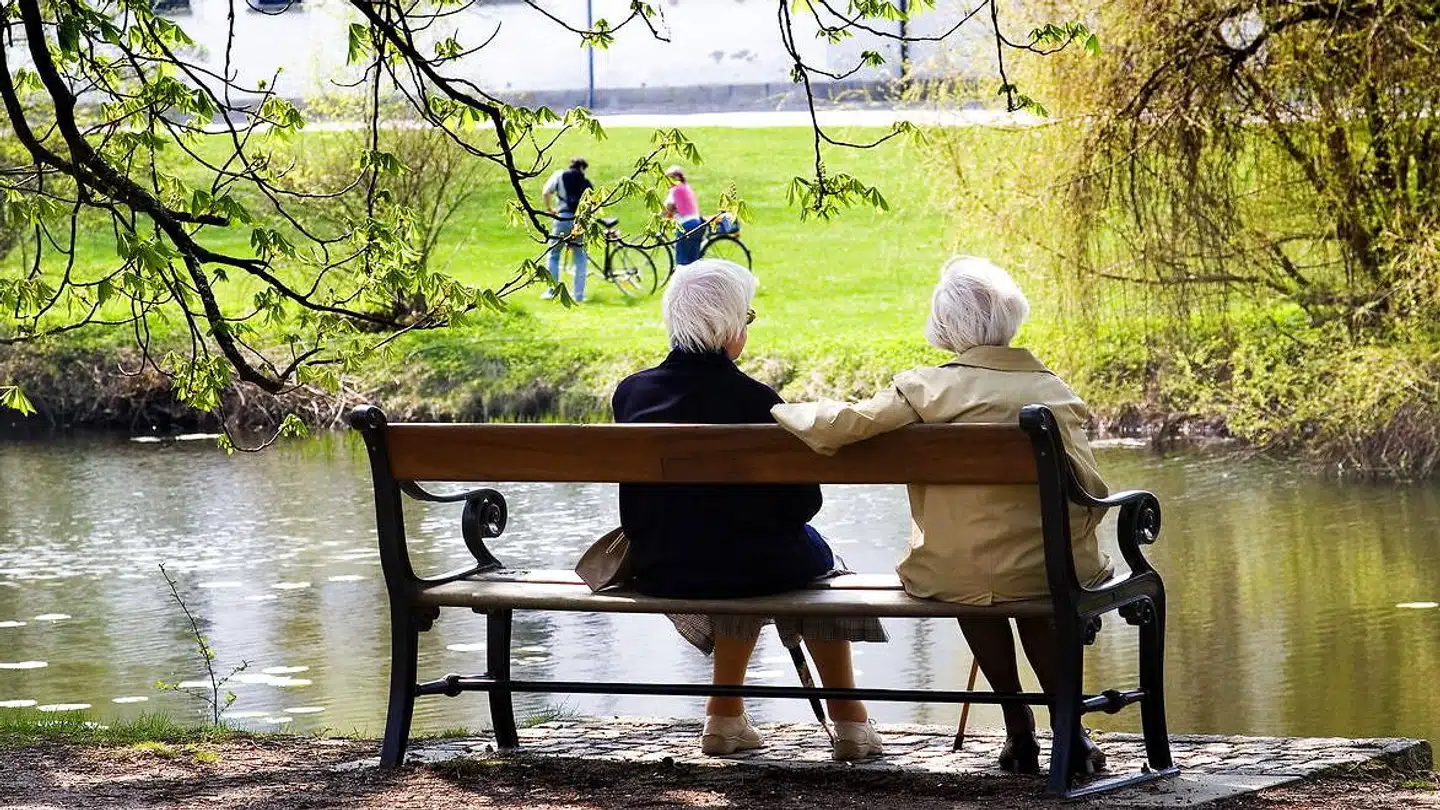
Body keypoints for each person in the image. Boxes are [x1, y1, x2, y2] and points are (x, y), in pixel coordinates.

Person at [771, 256, 1113, 776]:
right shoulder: (1054, 393)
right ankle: (1071, 728)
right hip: (1047, 571)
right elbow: (1090, 489)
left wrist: (774, 412)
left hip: (953, 570)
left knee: (971, 577)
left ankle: (1018, 726)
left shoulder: (928, 389)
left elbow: (847, 423)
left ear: (948, 326)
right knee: (1036, 583)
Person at [612, 259, 885, 762]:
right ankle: (849, 724)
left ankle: (725, 717)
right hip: (746, 566)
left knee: (742, 555)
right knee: (818, 573)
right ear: (730, 329)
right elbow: (805, 503)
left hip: (661, 565)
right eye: (748, 319)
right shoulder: (758, 401)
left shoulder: (631, 393)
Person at [542, 157, 594, 302]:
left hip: (562, 218)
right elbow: (593, 204)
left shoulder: (559, 175)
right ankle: (578, 295)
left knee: (553, 254)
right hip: (579, 222)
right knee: (580, 257)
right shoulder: (586, 182)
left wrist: (549, 208)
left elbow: (546, 192)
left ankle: (551, 291)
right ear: (583, 168)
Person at [662, 166, 705, 267]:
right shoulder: (687, 188)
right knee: (693, 261)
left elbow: (668, 207)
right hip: (697, 223)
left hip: (686, 226)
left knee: (682, 262)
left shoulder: (675, 190)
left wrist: (660, 216)